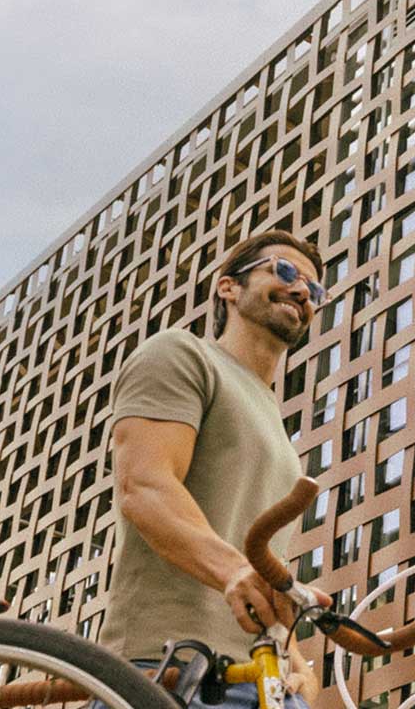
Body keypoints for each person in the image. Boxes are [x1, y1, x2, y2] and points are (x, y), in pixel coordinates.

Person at [102, 229, 334, 709]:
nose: (301, 291)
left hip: (259, 681)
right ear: (228, 287)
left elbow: (258, 565)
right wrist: (234, 572)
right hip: (168, 669)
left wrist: (296, 658)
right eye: (284, 271)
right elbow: (144, 487)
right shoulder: (183, 355)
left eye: (314, 291)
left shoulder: (277, 428)